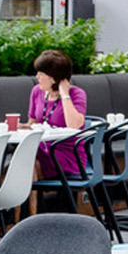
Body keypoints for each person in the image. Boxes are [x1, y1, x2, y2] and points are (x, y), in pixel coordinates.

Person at [28, 48, 90, 183]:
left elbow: (74, 126)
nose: (37, 77)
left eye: (41, 73)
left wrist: (64, 94)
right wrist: (15, 126)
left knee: (27, 167)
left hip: (67, 154)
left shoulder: (77, 94)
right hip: (42, 148)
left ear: (53, 77)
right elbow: (32, 124)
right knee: (19, 163)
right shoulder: (36, 91)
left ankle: (31, 199)